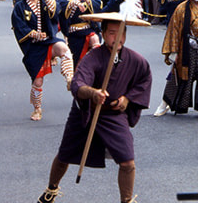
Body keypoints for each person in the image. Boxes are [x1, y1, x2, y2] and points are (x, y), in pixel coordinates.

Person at [37, 17, 152, 203]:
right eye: (112, 33)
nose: (117, 38)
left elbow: (144, 80)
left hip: (113, 114)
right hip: (87, 112)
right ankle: (51, 189)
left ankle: (127, 200)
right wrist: (93, 93)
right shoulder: (93, 58)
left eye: (121, 33)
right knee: (64, 155)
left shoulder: (135, 59)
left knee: (127, 161)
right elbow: (78, 84)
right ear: (104, 34)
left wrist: (127, 99)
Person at [11, 0, 74, 120]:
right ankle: (37, 108)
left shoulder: (44, 1)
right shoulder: (20, 7)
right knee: (38, 81)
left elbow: (55, 11)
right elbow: (18, 25)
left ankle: (69, 78)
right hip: (33, 46)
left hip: (48, 40)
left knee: (64, 49)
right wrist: (33, 34)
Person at [57, 0, 102, 68]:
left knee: (94, 38)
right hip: (74, 31)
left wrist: (87, 0)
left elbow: (98, 4)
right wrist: (73, 3)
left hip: (88, 27)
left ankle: (99, 61)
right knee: (78, 63)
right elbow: (60, 6)